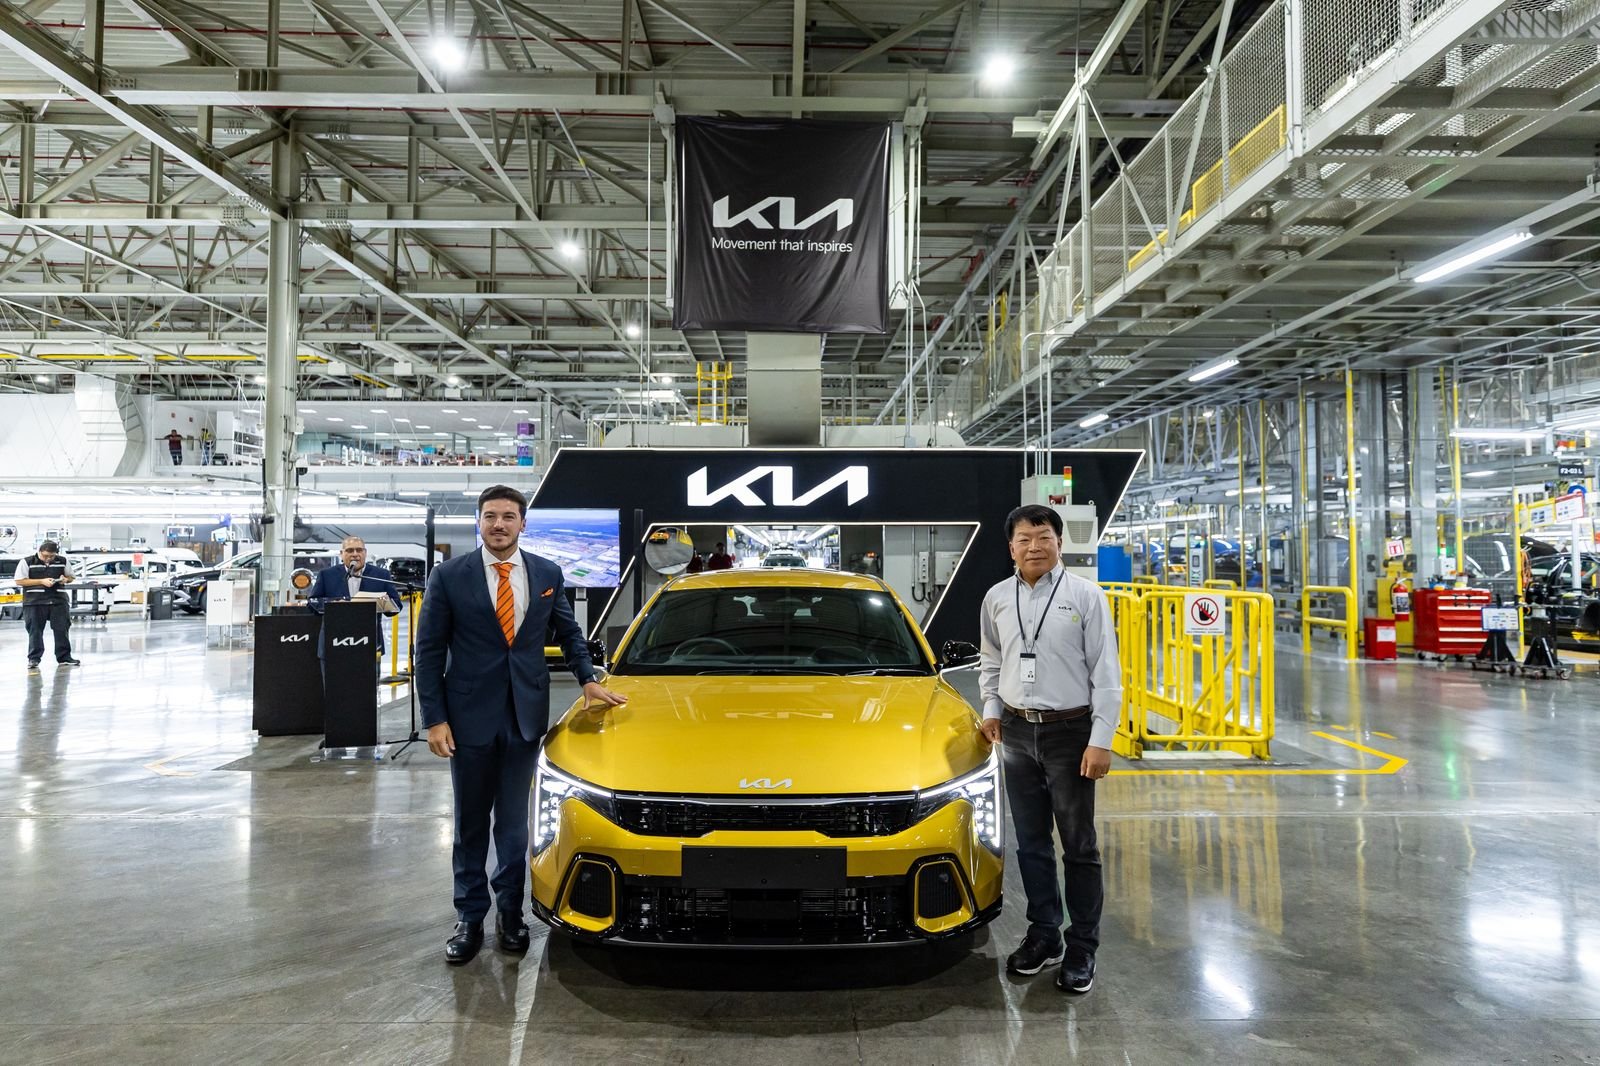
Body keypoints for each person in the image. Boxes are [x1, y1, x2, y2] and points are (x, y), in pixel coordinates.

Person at [415, 485, 627, 965]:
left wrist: (588, 679)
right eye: (490, 516)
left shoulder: (547, 573)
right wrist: (436, 719)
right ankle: (470, 916)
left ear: (522, 524)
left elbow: (569, 633)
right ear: (479, 522)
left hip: (525, 718)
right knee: (470, 824)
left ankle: (510, 913)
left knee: (514, 826)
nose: (499, 524)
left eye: (508, 516)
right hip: (467, 720)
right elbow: (428, 652)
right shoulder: (449, 576)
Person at [978, 504, 1121, 994]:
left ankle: (1082, 945)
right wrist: (992, 708)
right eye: (1024, 539)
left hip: (1070, 733)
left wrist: (1100, 740)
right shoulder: (997, 597)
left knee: (1079, 846)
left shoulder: (1085, 595)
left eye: (1043, 537)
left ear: (1060, 542)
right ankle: (1045, 934)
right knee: (1031, 843)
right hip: (1016, 731)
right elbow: (991, 659)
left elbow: (1106, 673)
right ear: (1011, 547)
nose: (1034, 547)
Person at [304, 537, 396, 682]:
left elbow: (396, 605)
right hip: (333, 643)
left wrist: (381, 602)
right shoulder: (327, 575)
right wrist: (334, 603)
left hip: (369, 644)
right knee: (334, 690)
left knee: (366, 691)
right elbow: (313, 602)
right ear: (342, 554)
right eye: (349, 550)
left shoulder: (381, 575)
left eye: (359, 550)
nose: (355, 554)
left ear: (365, 553)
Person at [16, 540, 81, 669]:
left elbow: (71, 577)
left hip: (58, 600)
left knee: (62, 629)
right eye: (45, 556)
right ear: (39, 552)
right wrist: (41, 581)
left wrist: (65, 579)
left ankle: (64, 657)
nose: (48, 559)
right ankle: (34, 658)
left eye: (52, 556)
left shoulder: (62, 561)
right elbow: (19, 581)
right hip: (34, 602)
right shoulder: (27, 562)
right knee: (35, 630)